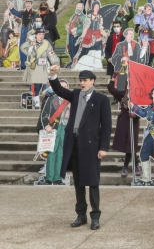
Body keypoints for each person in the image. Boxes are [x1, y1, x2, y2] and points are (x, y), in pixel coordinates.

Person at [48, 65, 112, 230]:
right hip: (75, 144)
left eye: (85, 80)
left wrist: (104, 147)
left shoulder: (102, 100)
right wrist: (53, 75)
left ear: (92, 81)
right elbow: (60, 91)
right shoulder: (76, 94)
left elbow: (106, 125)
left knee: (92, 182)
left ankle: (95, 216)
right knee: (78, 183)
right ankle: (81, 215)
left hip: (91, 146)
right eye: (80, 80)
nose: (82, 83)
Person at [130, 87, 154, 185]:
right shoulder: (150, 107)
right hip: (150, 132)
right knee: (144, 154)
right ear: (152, 95)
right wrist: (133, 106)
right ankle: (146, 178)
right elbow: (143, 113)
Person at [107, 78, 141, 178]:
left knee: (131, 144)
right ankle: (135, 166)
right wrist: (112, 79)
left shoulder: (138, 97)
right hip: (124, 121)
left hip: (133, 121)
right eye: (128, 84)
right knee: (129, 145)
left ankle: (127, 166)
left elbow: (143, 109)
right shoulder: (122, 94)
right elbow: (111, 89)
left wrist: (136, 115)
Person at [40, 78, 71, 184]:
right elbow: (44, 115)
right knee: (51, 153)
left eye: (65, 87)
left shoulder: (71, 100)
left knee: (61, 153)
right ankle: (49, 178)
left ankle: (58, 178)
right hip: (53, 129)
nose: (63, 89)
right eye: (61, 87)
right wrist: (46, 126)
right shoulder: (51, 99)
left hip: (66, 128)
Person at [21, 27, 60, 108]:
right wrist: (31, 44)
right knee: (35, 85)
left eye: (42, 34)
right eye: (39, 34)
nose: (41, 36)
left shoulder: (46, 43)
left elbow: (51, 54)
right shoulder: (31, 44)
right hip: (34, 67)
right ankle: (36, 102)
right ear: (35, 35)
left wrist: (55, 63)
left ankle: (45, 101)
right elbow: (22, 48)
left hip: (44, 67)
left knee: (46, 85)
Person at [7, 0, 36, 69]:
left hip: (30, 30)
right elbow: (16, 13)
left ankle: (30, 65)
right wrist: (11, 7)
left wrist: (31, 34)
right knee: (22, 47)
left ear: (31, 4)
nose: (28, 5)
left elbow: (35, 23)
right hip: (23, 31)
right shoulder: (23, 12)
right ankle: (22, 65)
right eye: (27, 3)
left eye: (29, 3)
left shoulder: (34, 13)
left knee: (30, 49)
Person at [65, 3, 86, 67]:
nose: (78, 8)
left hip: (77, 37)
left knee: (75, 51)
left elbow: (85, 28)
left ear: (82, 9)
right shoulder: (73, 16)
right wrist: (68, 26)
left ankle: (76, 64)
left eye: (79, 7)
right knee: (70, 50)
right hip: (70, 36)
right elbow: (71, 23)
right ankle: (73, 63)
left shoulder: (84, 17)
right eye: (77, 7)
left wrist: (77, 32)